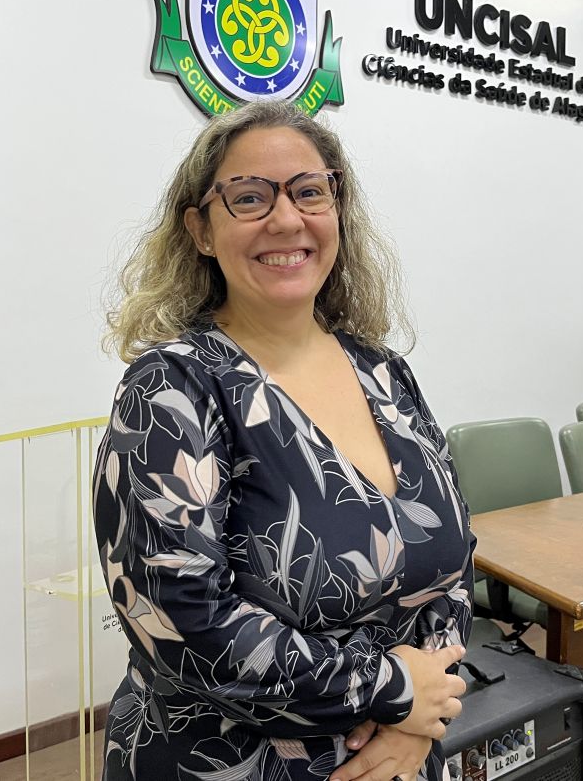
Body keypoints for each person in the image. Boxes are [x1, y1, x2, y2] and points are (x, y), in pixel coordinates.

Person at [94, 100, 474, 781]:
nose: (287, 219)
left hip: (400, 753)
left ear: (337, 210)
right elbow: (183, 624)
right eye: (249, 197)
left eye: (309, 192)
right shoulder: (173, 389)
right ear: (201, 230)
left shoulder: (384, 372)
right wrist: (393, 691)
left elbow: (453, 559)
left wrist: (427, 711)